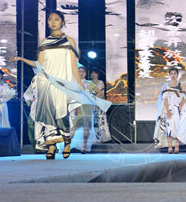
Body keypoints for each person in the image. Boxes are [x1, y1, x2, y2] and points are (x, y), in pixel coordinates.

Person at [11, 10, 111, 159]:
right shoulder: (44, 42)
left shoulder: (69, 41)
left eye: (56, 19)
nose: (53, 22)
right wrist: (21, 59)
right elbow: (40, 64)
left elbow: (73, 64)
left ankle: (67, 142)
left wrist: (79, 82)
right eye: (50, 19)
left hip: (63, 83)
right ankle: (51, 147)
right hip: (48, 83)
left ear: (63, 22)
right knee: (49, 115)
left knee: (62, 114)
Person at [153, 67, 186, 153]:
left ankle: (177, 146)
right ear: (169, 75)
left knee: (178, 127)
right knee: (169, 127)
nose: (173, 75)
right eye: (171, 73)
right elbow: (165, 99)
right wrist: (167, 111)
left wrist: (179, 108)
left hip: (178, 109)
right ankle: (170, 146)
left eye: (175, 73)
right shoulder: (166, 85)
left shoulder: (181, 85)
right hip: (169, 109)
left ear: (177, 74)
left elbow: (184, 98)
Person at [69, 66, 95, 153]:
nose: (81, 73)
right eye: (79, 71)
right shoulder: (74, 83)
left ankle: (84, 146)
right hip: (78, 106)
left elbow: (99, 92)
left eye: (83, 71)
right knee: (74, 126)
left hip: (87, 106)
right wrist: (75, 107)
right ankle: (67, 145)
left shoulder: (89, 83)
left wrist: (93, 99)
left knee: (86, 127)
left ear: (86, 73)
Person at [89, 69, 111, 143]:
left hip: (99, 104)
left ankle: (101, 138)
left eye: (95, 73)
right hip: (91, 104)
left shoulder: (101, 82)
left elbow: (102, 93)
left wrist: (96, 99)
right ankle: (93, 139)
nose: (93, 74)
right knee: (93, 122)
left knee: (100, 121)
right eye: (92, 73)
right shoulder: (89, 83)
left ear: (98, 74)